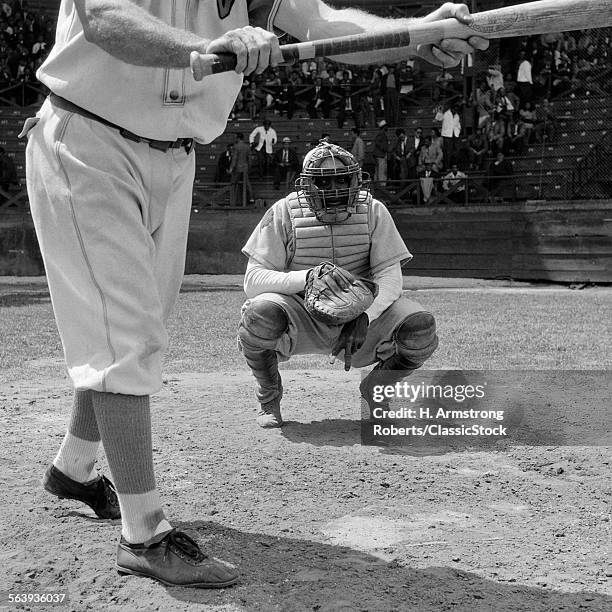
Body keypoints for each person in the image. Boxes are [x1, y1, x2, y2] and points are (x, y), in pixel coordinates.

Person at [23, 0, 485, 588]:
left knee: (135, 330)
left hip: (173, 154)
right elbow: (105, 18)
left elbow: (324, 24)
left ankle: (73, 467)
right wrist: (205, 49)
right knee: (126, 333)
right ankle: (143, 534)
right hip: (88, 142)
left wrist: (416, 32)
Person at [237, 142, 439, 428]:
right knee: (260, 314)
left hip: (362, 317)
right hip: (302, 313)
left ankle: (377, 390)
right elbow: (253, 280)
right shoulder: (284, 211)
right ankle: (268, 397)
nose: (334, 188)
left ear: (356, 179)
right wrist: (307, 278)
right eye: (323, 181)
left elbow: (391, 279)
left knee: (420, 328)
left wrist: (366, 318)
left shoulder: (373, 211)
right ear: (307, 184)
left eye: (342, 179)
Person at [230, 132, 253, 207]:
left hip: (238, 168)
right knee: (247, 183)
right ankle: (251, 197)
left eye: (235, 137)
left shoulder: (236, 147)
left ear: (238, 138)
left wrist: (231, 168)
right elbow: (249, 159)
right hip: (245, 167)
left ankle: (233, 200)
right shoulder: (247, 146)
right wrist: (249, 167)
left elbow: (235, 159)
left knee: (233, 183)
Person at [373, 120, 389, 186]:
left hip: (378, 155)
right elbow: (378, 142)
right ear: (384, 127)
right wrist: (385, 148)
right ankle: (382, 187)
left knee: (378, 171)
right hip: (381, 155)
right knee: (382, 172)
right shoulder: (382, 134)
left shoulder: (380, 133)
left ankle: (377, 185)